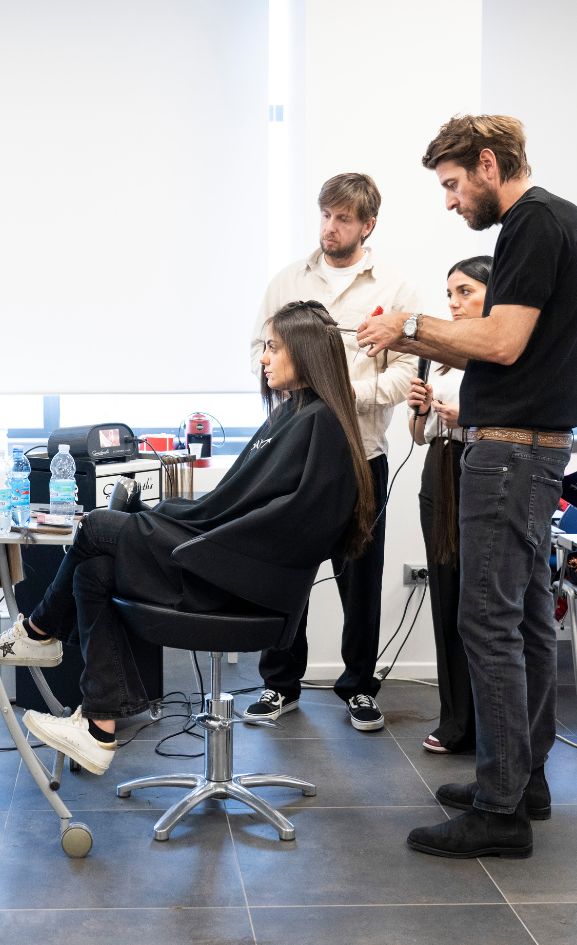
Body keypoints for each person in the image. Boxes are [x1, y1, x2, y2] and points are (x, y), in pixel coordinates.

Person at [0, 301, 375, 775]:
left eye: (273, 347)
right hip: (215, 562)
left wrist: (189, 539)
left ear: (306, 350)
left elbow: (283, 530)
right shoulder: (294, 415)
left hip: (230, 583)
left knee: (96, 527)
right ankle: (98, 727)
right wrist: (173, 519)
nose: (263, 358)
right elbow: (231, 505)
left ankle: (37, 632)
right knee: (95, 568)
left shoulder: (321, 425)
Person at [357, 115, 577, 859]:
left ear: (488, 163)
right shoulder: (558, 221)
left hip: (510, 452)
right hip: (534, 449)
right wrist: (426, 339)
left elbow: (502, 341)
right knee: (525, 620)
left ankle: (499, 809)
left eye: (452, 185)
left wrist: (409, 325)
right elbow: (523, 343)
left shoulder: (532, 223)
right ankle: (524, 781)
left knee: (486, 620)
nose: (450, 202)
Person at [246, 173, 420, 732]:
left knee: (360, 577)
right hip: (295, 456)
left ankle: (359, 687)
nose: (330, 227)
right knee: (284, 569)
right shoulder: (287, 281)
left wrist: (341, 397)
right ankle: (279, 684)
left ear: (368, 225)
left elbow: (405, 374)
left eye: (343, 218)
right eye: (325, 215)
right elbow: (260, 352)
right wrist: (304, 394)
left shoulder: (395, 289)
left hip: (360, 456)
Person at [406, 256, 492, 756]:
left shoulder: (502, 352)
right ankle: (455, 719)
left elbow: (513, 423)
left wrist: (469, 417)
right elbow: (418, 436)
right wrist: (420, 412)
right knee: (445, 595)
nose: (455, 304)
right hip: (438, 471)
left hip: (481, 469)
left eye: (465, 292)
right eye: (450, 295)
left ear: (493, 293)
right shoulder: (437, 354)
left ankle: (490, 723)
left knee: (479, 603)